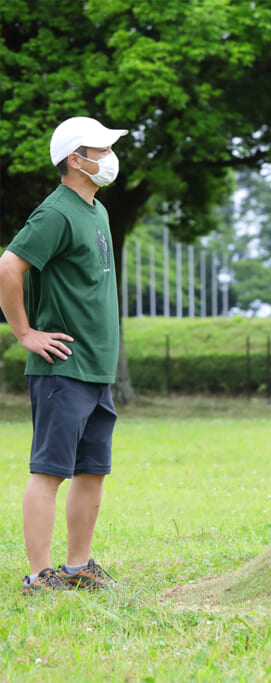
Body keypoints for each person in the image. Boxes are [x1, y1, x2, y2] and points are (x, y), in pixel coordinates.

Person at [0, 116, 127, 594]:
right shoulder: (56, 212)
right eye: (102, 149)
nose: (110, 158)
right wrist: (25, 333)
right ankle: (39, 575)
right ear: (77, 159)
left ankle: (78, 568)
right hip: (63, 367)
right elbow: (9, 265)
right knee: (50, 470)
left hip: (96, 366)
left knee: (92, 470)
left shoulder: (97, 210)